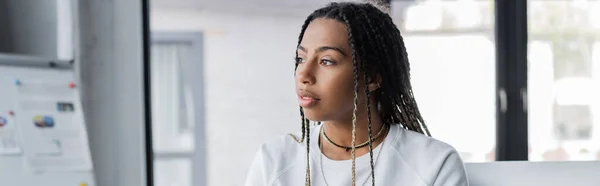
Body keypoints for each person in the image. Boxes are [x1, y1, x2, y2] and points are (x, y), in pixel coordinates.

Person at [245, 2, 469, 186]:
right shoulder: (274, 159)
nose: (303, 73)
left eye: (326, 61)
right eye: (301, 59)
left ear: (371, 77)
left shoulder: (434, 164)